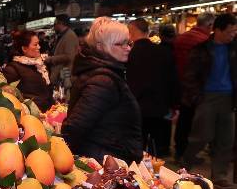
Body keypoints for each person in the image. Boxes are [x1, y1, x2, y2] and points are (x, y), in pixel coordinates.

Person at [62, 17, 143, 163]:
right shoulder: (103, 80)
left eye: (128, 42)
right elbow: (75, 127)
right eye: (120, 44)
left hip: (105, 157)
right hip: (105, 163)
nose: (128, 48)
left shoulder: (103, 73)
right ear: (100, 47)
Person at [181, 13, 237, 189]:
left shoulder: (234, 49)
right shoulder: (202, 49)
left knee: (226, 139)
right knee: (201, 136)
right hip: (207, 97)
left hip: (229, 98)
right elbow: (190, 75)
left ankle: (219, 175)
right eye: (230, 31)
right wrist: (197, 97)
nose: (233, 35)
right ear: (218, 30)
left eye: (235, 31)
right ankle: (185, 166)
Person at [126, 18, 179, 157]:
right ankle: (155, 176)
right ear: (147, 31)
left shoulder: (128, 54)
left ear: (131, 32)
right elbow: (173, 81)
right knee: (157, 150)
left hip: (136, 108)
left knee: (137, 148)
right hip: (159, 108)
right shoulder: (164, 52)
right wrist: (175, 106)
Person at [174, 13, 215, 159]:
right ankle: (188, 155)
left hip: (180, 84)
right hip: (196, 87)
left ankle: (179, 151)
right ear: (209, 25)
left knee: (183, 121)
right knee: (194, 124)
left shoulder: (181, 38)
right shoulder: (204, 41)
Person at [3, 30, 53, 111]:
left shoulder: (40, 64)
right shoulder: (13, 69)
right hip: (30, 116)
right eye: (35, 45)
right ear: (24, 48)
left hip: (48, 112)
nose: (39, 47)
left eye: (38, 44)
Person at [47, 14, 80, 91]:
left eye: (55, 23)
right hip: (61, 73)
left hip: (65, 74)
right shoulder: (63, 35)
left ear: (60, 23)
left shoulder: (70, 36)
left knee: (64, 98)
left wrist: (51, 59)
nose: (54, 26)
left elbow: (69, 56)